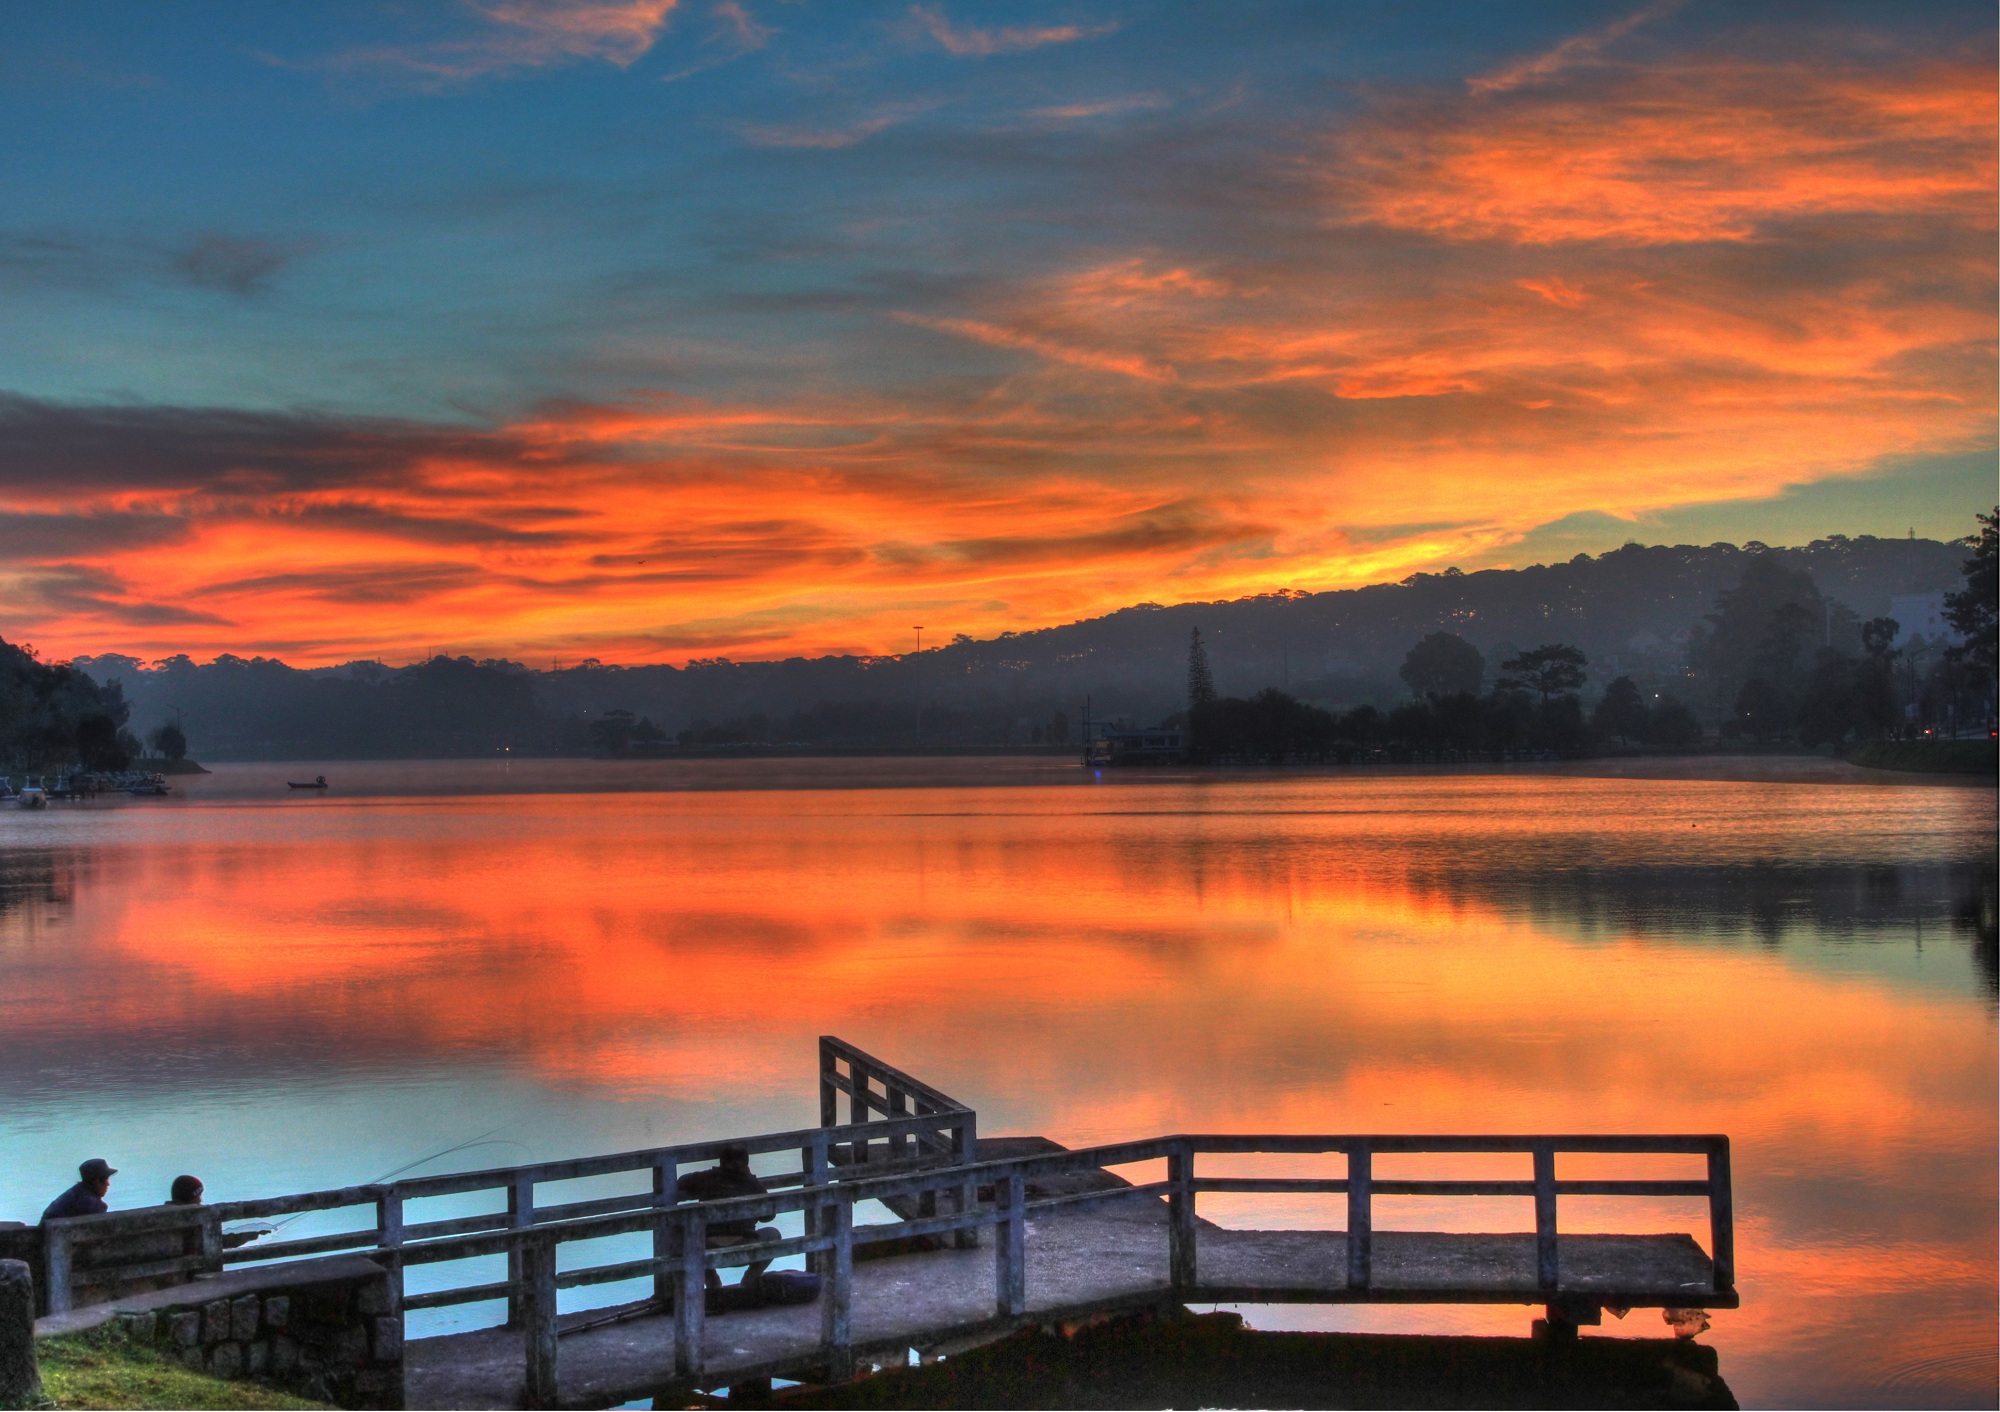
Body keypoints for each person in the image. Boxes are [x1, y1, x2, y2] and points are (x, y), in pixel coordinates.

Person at [676, 1146, 780, 1293]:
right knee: (773, 1234)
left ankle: (712, 1281)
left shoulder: (707, 1177)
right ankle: (749, 1279)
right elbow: (768, 1216)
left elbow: (681, 1181)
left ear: (722, 1162)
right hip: (744, 1248)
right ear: (746, 1164)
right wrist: (752, 1179)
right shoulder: (752, 1184)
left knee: (680, 1231)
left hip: (707, 1248)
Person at [166, 1175, 262, 1247]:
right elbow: (219, 1241)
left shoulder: (166, 1217)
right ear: (189, 1197)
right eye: (198, 1196)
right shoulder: (192, 1220)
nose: (200, 1200)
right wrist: (253, 1235)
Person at [41, 1159, 115, 1221]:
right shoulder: (94, 1206)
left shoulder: (73, 1194)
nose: (108, 1184)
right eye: (106, 1179)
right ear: (97, 1181)